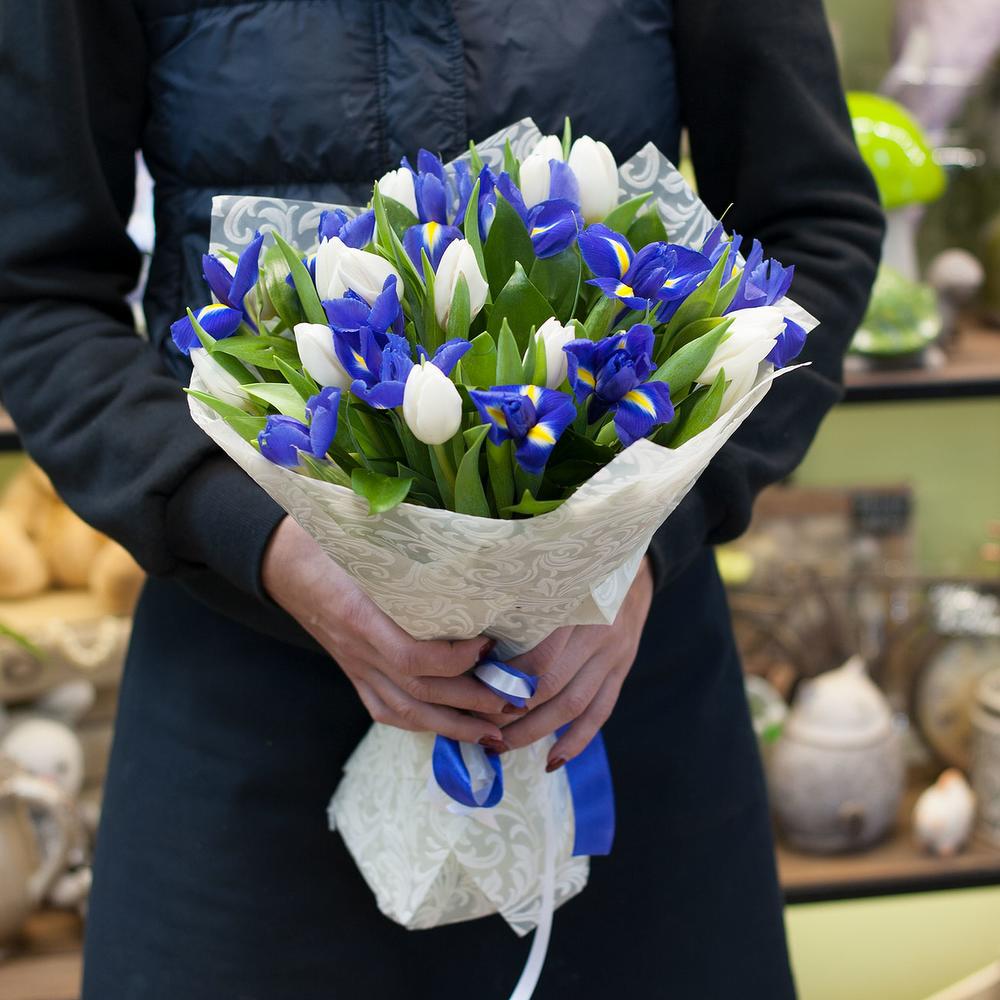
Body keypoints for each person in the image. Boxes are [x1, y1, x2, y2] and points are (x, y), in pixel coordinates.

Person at [0, 2, 883, 997]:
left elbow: (811, 226)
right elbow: (33, 290)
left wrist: (640, 549)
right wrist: (265, 543)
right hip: (251, 698)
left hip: (609, 681)